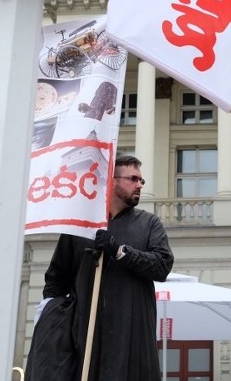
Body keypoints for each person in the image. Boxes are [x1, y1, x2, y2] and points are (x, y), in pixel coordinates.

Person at [26, 154, 174, 381]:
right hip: (85, 339)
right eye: (133, 179)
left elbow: (162, 265)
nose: (139, 185)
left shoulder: (149, 223)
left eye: (141, 181)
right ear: (112, 181)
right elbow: (56, 279)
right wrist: (54, 322)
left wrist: (119, 251)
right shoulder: (80, 225)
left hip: (130, 336)